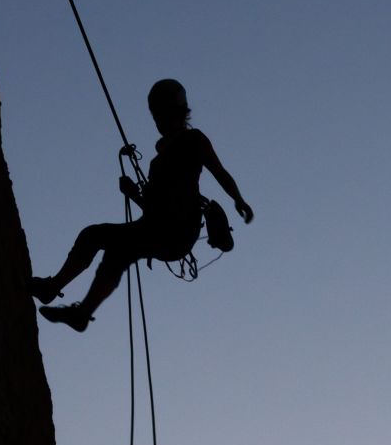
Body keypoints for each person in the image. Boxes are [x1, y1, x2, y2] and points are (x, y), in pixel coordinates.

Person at [32, 79, 254, 332]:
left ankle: (78, 309)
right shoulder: (158, 158)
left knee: (117, 251)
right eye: (155, 116)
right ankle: (57, 290)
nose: (158, 121)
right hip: (159, 229)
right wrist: (133, 194)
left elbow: (219, 172)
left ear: (177, 113)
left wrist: (238, 199)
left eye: (161, 114)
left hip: (176, 232)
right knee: (93, 235)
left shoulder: (194, 140)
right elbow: (154, 208)